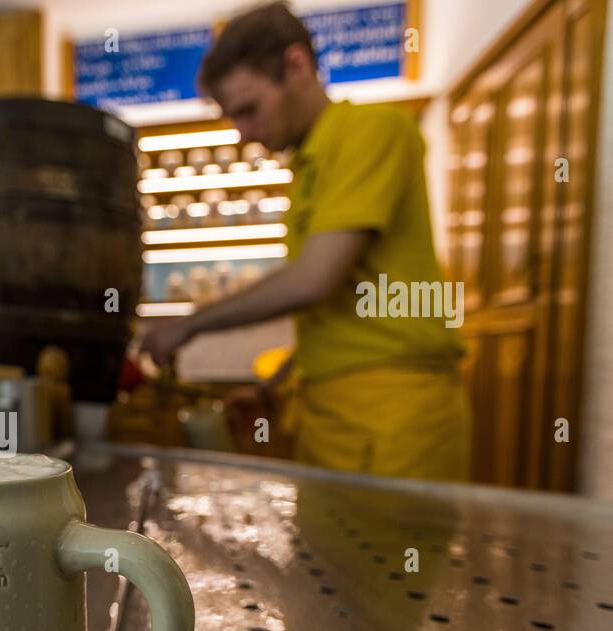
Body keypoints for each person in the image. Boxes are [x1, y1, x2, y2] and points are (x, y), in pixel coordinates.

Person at [137, 1, 470, 481]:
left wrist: (189, 324)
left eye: (249, 109)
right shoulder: (308, 166)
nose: (245, 132)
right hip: (330, 408)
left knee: (383, 556)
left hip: (393, 412)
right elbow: (338, 311)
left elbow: (314, 280)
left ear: (297, 64)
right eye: (234, 117)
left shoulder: (372, 130)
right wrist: (273, 389)